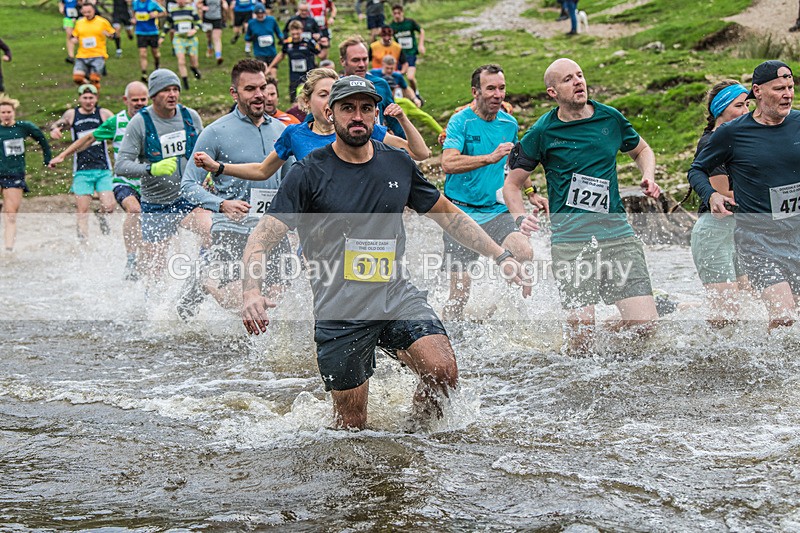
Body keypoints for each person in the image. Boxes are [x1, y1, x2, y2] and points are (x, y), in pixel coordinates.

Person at [239, 76, 530, 429]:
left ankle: (416, 440)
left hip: (395, 295)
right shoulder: (307, 173)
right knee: (351, 424)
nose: (357, 116)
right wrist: (251, 291)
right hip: (339, 307)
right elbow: (262, 238)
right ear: (330, 114)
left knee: (442, 372)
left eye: (366, 108)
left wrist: (501, 256)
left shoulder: (397, 163)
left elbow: (449, 216)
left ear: (376, 115)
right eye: (348, 108)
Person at [505, 58, 661, 353]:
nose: (578, 81)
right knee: (580, 339)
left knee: (645, 326)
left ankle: (607, 341)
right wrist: (519, 217)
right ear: (552, 92)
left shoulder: (609, 119)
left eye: (580, 75)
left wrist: (648, 176)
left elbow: (642, 149)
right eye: (568, 79)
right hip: (570, 242)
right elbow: (512, 184)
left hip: (616, 234)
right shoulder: (543, 131)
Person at [689, 60, 800, 331]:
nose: (787, 94)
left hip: (795, 233)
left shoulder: (798, 122)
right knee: (784, 317)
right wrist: (712, 195)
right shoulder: (733, 133)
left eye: (790, 87)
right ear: (758, 92)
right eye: (779, 88)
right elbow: (696, 170)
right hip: (758, 239)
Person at [180, 59, 291, 319]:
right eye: (250, 89)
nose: (259, 95)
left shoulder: (282, 130)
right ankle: (205, 281)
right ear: (234, 93)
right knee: (235, 300)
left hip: (271, 230)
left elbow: (293, 180)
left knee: (276, 299)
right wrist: (220, 205)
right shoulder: (215, 132)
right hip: (232, 228)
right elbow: (187, 185)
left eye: (262, 87)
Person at [193, 67, 430, 183]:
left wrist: (403, 119)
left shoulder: (361, 131)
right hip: (317, 229)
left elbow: (420, 153)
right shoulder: (295, 134)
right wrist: (219, 167)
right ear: (306, 101)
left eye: (336, 96)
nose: (331, 101)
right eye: (324, 94)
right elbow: (263, 171)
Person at [439, 64, 534, 321]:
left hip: (494, 210)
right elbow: (448, 163)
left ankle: (499, 310)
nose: (497, 94)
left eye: (501, 88)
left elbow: (514, 164)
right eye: (490, 88)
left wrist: (532, 190)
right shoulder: (461, 121)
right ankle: (449, 334)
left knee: (524, 252)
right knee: (459, 295)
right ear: (475, 91)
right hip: (460, 212)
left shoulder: (509, 123)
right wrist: (489, 158)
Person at [115, 69, 210, 281]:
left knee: (210, 231)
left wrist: (209, 171)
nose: (172, 94)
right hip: (157, 203)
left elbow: (206, 149)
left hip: (188, 196)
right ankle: (152, 304)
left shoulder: (190, 117)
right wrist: (151, 169)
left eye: (175, 89)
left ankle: (201, 279)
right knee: (154, 266)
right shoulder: (140, 122)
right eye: (166, 90)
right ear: (154, 95)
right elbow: (121, 165)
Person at [49, 81, 149, 280]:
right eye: (135, 100)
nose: (139, 103)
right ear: (126, 100)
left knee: (147, 224)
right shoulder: (116, 121)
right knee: (134, 210)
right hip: (124, 180)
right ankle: (130, 259)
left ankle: (144, 263)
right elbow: (87, 138)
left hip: (150, 182)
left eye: (143, 99)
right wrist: (63, 155)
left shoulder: (156, 119)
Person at [687, 80, 751, 328]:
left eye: (747, 104)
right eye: (739, 105)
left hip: (739, 233)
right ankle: (699, 350)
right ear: (720, 110)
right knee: (727, 314)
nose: (747, 111)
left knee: (748, 304)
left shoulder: (741, 140)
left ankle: (679, 308)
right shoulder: (711, 142)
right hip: (713, 233)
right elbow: (725, 195)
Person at [50, 83, 115, 241]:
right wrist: (55, 129)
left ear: (96, 98)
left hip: (103, 168)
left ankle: (100, 215)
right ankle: (83, 242)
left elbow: (118, 126)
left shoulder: (104, 114)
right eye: (85, 97)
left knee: (109, 206)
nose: (88, 101)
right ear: (79, 98)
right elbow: (57, 124)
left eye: (91, 97)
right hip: (81, 170)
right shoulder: (72, 114)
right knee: (82, 210)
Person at [0, 96, 52, 252]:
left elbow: (41, 139)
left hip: (15, 174)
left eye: (8, 112)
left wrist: (47, 158)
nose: (6, 115)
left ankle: (8, 249)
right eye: (2, 112)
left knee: (11, 214)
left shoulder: (24, 127)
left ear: (14, 112)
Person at [339, 35, 404, 139]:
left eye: (364, 59)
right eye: (355, 60)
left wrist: (407, 147)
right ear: (343, 61)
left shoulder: (380, 85)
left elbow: (394, 121)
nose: (361, 64)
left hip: (375, 148)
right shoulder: (335, 86)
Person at [268, 20, 319, 103]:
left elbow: (319, 54)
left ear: (301, 31)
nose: (295, 36)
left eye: (297, 34)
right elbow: (281, 55)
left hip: (308, 75)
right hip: (294, 76)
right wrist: (270, 67)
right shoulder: (288, 43)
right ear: (290, 32)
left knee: (309, 99)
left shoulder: (308, 42)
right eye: (293, 34)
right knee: (294, 100)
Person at [71, 2, 116, 89]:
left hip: (98, 55)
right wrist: (74, 40)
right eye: (84, 12)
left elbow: (113, 35)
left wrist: (109, 35)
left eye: (89, 12)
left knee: (94, 79)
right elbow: (74, 36)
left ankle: (93, 99)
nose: (87, 14)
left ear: (94, 11)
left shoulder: (102, 22)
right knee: (77, 78)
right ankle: (88, 89)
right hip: (82, 55)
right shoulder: (79, 23)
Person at [163, 0, 203, 91]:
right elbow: (167, 24)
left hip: (191, 39)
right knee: (181, 61)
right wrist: (162, 37)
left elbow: (199, 22)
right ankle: (185, 83)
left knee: (194, 61)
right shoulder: (173, 10)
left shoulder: (191, 9)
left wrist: (194, 30)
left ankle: (194, 69)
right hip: (179, 38)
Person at [389, 4, 424, 95]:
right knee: (399, 77)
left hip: (411, 53)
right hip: (399, 56)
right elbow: (389, 39)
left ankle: (416, 93)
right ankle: (405, 96)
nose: (397, 15)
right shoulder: (392, 26)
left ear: (402, 13)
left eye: (398, 13)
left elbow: (421, 31)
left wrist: (421, 45)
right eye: (395, 13)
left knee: (410, 77)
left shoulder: (410, 22)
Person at [132, 0, 165, 82]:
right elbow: (134, 12)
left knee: (155, 53)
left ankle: (157, 66)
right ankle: (144, 74)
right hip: (140, 32)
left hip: (152, 32)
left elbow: (164, 13)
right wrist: (134, 19)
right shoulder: (135, 3)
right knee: (143, 53)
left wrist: (156, 14)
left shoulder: (152, 3)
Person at [244, 4, 283, 69]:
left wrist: (281, 38)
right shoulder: (252, 23)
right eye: (258, 14)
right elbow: (247, 37)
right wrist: (251, 38)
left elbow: (278, 32)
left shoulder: (271, 20)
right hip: (259, 52)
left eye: (261, 13)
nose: (260, 15)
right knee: (263, 70)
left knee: (273, 70)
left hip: (271, 51)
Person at [198, 0, 226, 65]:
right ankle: (209, 46)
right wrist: (202, 7)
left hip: (217, 18)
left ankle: (218, 56)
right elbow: (198, 4)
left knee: (216, 38)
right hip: (207, 19)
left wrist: (225, 5)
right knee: (209, 37)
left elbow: (224, 2)